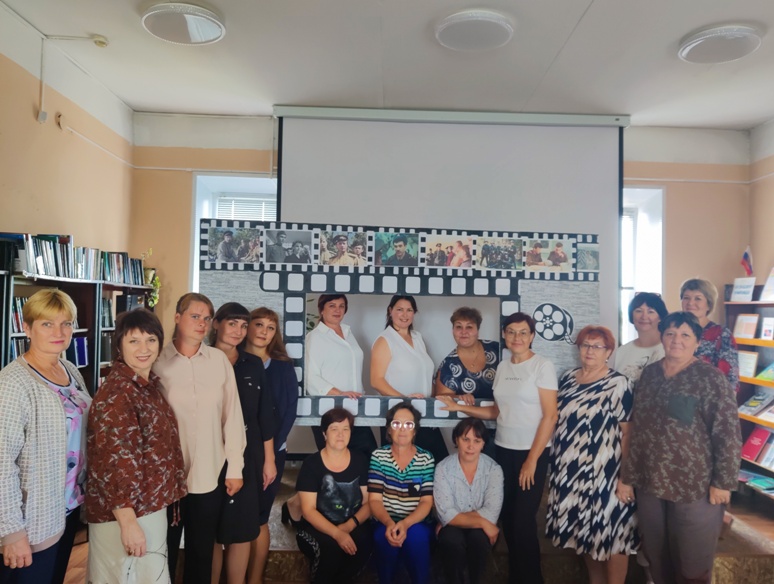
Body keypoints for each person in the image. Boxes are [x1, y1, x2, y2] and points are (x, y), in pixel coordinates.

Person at [438, 312, 558, 584]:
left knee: (523, 523)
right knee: (509, 519)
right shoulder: (503, 367)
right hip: (503, 449)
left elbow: (550, 416)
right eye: (512, 332)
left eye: (523, 332)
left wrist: (532, 460)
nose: (517, 337)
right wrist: (459, 407)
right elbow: (496, 412)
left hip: (532, 453)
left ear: (532, 336)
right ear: (504, 335)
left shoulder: (542, 366)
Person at [622, 312, 742, 584]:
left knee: (692, 562)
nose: (677, 340)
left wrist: (723, 483)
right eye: (670, 334)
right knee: (657, 558)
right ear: (662, 338)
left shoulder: (711, 379)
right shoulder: (650, 374)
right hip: (650, 482)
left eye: (685, 335)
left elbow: (728, 433)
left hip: (694, 487)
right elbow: (638, 428)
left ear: (697, 342)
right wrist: (629, 476)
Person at [86, 309, 186, 582]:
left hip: (148, 506)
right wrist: (128, 523)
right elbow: (113, 464)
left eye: (151, 340)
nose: (144, 348)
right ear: (119, 345)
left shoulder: (145, 385)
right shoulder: (118, 394)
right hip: (126, 514)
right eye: (134, 341)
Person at [152, 293, 247, 584]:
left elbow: (232, 417)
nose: (202, 323)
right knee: (163, 551)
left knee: (202, 551)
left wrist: (235, 468)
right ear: (177, 318)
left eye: (206, 318)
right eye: (195, 316)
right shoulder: (156, 362)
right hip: (166, 479)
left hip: (209, 473)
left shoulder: (219, 361)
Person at [0, 289, 92, 583]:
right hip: (32, 521)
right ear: (27, 328)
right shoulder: (13, 383)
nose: (59, 332)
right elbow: (2, 463)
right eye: (47, 324)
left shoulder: (70, 369)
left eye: (66, 323)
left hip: (67, 508)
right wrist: (11, 531)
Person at [546, 325, 638, 584]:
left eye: (598, 346)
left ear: (608, 352)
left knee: (615, 533)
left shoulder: (619, 383)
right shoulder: (567, 378)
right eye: (586, 345)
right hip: (570, 471)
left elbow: (628, 433)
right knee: (585, 533)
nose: (590, 350)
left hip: (606, 472)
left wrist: (626, 478)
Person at [209, 303, 277, 584]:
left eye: (243, 325)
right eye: (232, 323)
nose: (238, 331)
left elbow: (264, 415)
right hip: (211, 454)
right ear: (216, 324)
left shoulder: (253, 364)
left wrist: (269, 460)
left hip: (250, 454)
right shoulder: (202, 360)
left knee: (244, 526)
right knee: (212, 528)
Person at [245, 307, 299, 582]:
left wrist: (272, 448)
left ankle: (255, 578)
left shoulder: (283, 366)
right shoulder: (234, 361)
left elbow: (290, 410)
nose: (264, 332)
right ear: (248, 326)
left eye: (270, 327)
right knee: (237, 519)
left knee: (259, 517)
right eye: (259, 325)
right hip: (238, 453)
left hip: (272, 453)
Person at [295, 408, 373, 584]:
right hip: (317, 527)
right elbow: (308, 510)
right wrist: (337, 533)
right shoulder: (311, 465)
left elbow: (369, 503)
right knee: (331, 549)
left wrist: (348, 527)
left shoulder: (360, 460)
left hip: (352, 523)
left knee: (364, 542)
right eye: (334, 429)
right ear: (324, 434)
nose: (340, 434)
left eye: (345, 429)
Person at [371, 295, 448, 462]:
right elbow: (376, 380)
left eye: (409, 310)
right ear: (390, 311)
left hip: (426, 413)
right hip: (400, 418)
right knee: (404, 467)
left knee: (436, 463)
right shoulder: (385, 340)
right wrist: (405, 401)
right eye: (399, 309)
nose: (404, 315)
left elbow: (424, 375)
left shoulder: (417, 337)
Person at [368, 404, 435, 584]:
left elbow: (426, 502)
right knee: (383, 537)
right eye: (396, 424)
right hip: (385, 521)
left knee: (416, 537)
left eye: (408, 424)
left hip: (417, 522)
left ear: (415, 430)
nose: (402, 429)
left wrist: (405, 524)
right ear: (389, 429)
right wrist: (390, 523)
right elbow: (374, 500)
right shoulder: (378, 456)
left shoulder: (426, 458)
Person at [305, 294, 377, 457]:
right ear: (321, 309)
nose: (337, 310)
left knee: (367, 458)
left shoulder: (348, 333)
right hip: (329, 412)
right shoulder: (314, 338)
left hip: (356, 409)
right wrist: (340, 393)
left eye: (341, 306)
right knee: (335, 461)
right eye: (332, 305)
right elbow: (310, 377)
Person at [433, 419, 503, 584]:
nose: (471, 446)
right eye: (466, 439)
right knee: (451, 539)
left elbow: (491, 512)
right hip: (456, 528)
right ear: (456, 440)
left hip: (470, 527)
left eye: (477, 441)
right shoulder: (443, 468)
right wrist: (483, 522)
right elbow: (446, 513)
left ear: (483, 444)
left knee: (478, 540)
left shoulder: (493, 469)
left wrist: (454, 518)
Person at [680, 278, 739, 392]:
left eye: (698, 298)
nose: (690, 303)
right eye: (686, 298)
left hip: (709, 397)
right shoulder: (674, 331)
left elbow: (731, 379)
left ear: (709, 305)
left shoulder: (721, 334)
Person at [434, 307, 499, 403]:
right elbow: (441, 398)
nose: (463, 332)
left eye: (469, 327)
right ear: (453, 331)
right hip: (466, 413)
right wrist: (460, 397)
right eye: (459, 327)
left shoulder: (496, 349)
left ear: (478, 331)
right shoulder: (447, 366)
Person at [615, 292, 669, 383]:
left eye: (650, 312)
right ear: (632, 316)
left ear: (660, 317)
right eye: (638, 311)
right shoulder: (621, 351)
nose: (644, 317)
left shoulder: (669, 349)